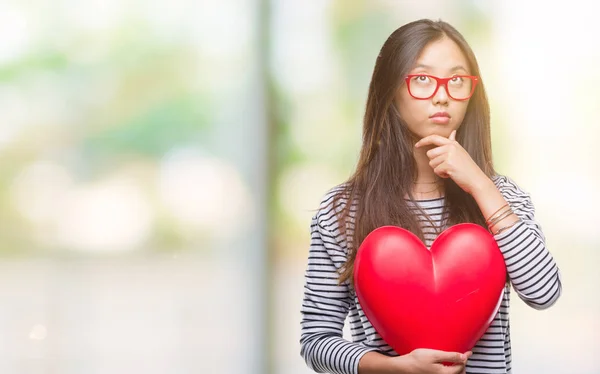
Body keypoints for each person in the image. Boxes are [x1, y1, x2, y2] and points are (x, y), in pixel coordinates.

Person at [299, 19, 562, 374]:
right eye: (422, 78)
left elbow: (544, 292)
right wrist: (397, 367)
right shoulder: (343, 210)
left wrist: (481, 186)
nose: (442, 94)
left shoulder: (502, 196)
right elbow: (316, 340)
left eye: (456, 80)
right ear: (391, 89)